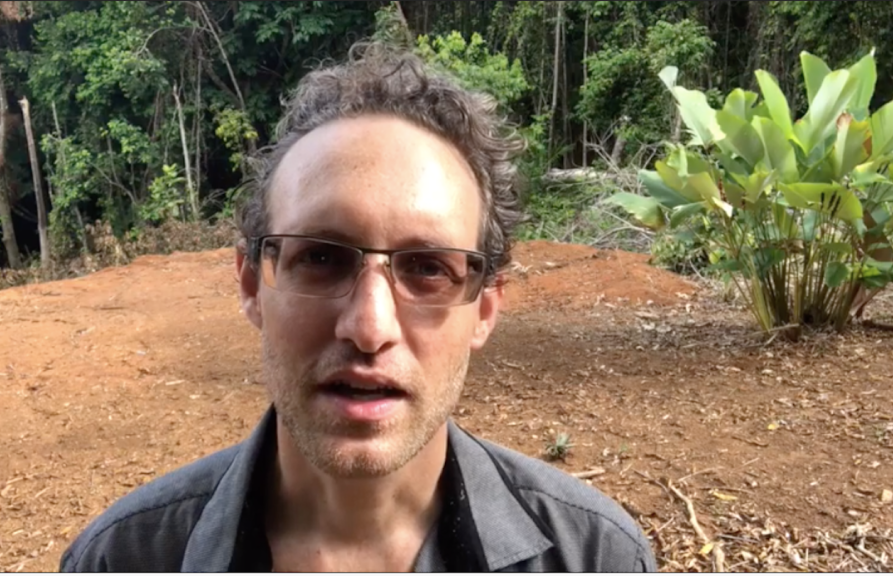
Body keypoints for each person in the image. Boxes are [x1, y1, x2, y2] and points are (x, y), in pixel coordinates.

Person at [60, 43, 656, 573]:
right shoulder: (122, 559)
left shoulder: (596, 558)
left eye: (427, 268)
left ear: (485, 308)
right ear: (250, 285)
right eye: (321, 258)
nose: (369, 328)